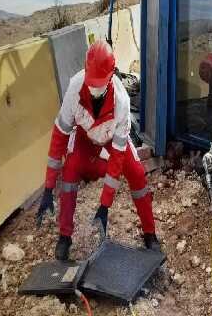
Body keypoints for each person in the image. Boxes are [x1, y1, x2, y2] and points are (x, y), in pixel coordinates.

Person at [36, 40, 160, 260]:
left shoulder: (121, 102)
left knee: (137, 174)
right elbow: (59, 138)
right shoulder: (74, 89)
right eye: (91, 82)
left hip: (111, 139)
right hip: (84, 137)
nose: (94, 88)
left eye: (99, 83)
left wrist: (104, 205)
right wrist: (47, 188)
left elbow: (117, 160)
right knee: (70, 170)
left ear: (111, 75)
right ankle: (65, 237)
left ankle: (150, 234)